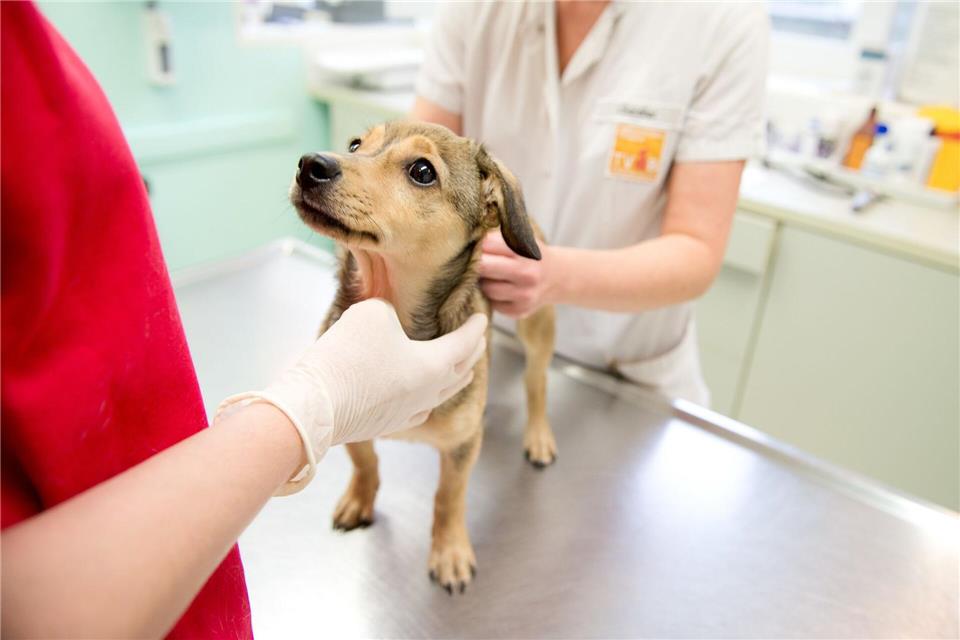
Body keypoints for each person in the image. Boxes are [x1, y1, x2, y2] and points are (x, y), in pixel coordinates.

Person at [0, 3, 487, 638]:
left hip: (154, 521)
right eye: (355, 148)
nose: (333, 163)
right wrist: (319, 405)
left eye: (418, 172)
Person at [413, 1, 769, 405]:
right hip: (484, 349)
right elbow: (415, 169)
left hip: (626, 373)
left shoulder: (724, 20)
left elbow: (696, 251)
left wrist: (554, 275)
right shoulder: (475, 11)